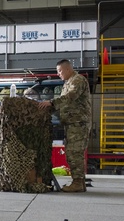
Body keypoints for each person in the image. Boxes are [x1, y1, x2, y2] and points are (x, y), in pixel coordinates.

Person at [39, 59, 92, 192]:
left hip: (78, 123)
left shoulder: (77, 80)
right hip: (71, 123)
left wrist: (51, 102)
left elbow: (70, 96)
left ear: (67, 69)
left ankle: (78, 182)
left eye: (60, 71)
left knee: (75, 152)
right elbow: (63, 104)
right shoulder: (67, 83)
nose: (58, 74)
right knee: (72, 152)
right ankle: (78, 181)